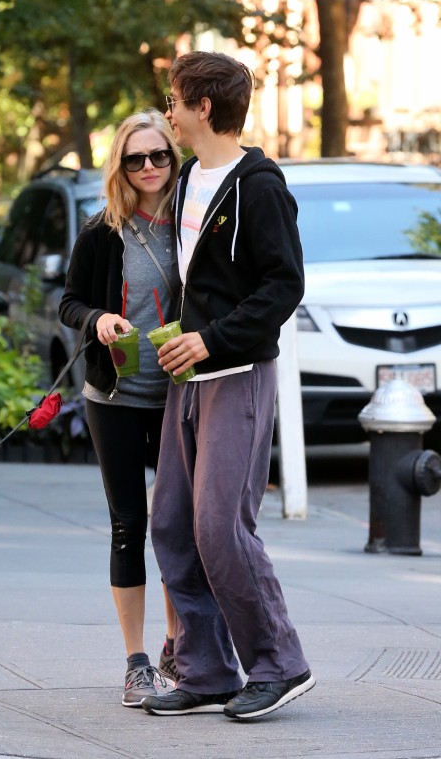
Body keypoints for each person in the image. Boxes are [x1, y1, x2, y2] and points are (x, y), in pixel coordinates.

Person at [141, 52, 315, 720]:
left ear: (203, 106)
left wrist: (212, 338)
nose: (170, 113)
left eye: (175, 101)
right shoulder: (189, 177)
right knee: (172, 524)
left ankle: (279, 664)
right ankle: (208, 670)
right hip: (187, 378)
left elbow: (284, 286)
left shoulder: (260, 187)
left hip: (236, 376)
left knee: (221, 527)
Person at [59, 110, 181, 708]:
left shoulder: (192, 222)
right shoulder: (102, 229)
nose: (149, 167)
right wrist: (99, 319)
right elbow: (69, 303)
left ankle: (178, 646)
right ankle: (137, 663)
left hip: (180, 395)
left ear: (173, 158)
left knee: (178, 524)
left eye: (159, 155)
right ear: (120, 165)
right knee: (129, 523)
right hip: (115, 397)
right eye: (135, 158)